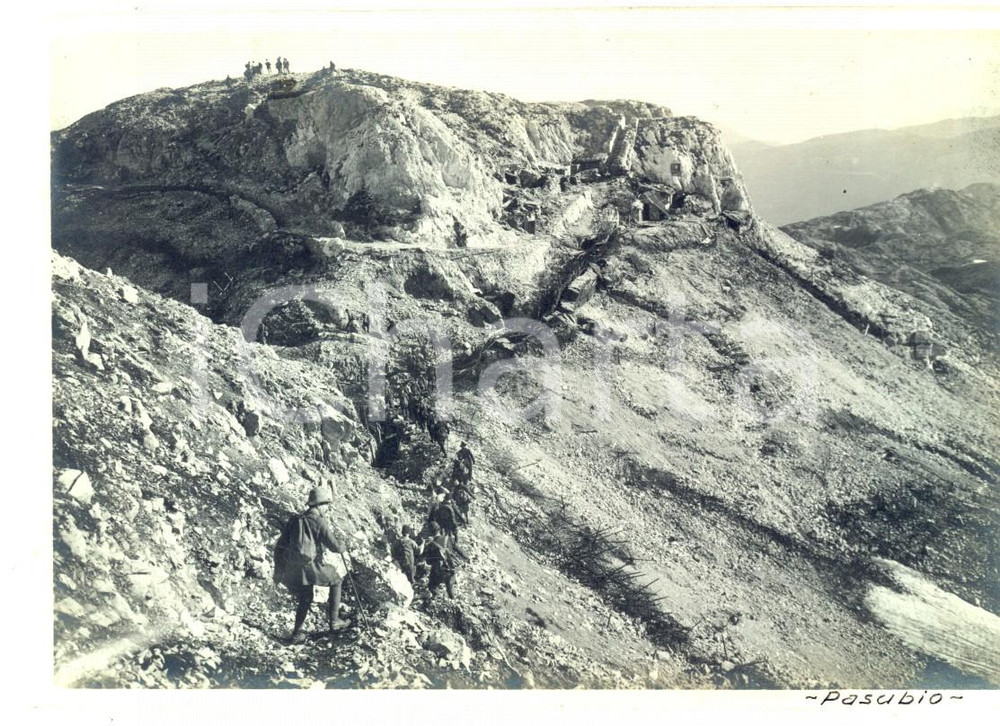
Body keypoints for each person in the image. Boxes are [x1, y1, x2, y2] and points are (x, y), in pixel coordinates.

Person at [273, 486, 351, 643]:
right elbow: (335, 547)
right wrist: (343, 545)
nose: (327, 508)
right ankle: (334, 621)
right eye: (326, 505)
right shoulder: (319, 521)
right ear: (319, 505)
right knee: (337, 580)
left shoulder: (296, 519)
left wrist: (278, 569)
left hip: (294, 568)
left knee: (306, 597)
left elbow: (281, 544)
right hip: (310, 566)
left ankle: (296, 634)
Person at [422, 523, 456, 599]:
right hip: (450, 568)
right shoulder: (447, 539)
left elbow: (428, 561)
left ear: (431, 533)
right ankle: (452, 599)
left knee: (432, 586)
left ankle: (436, 597)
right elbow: (456, 549)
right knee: (450, 587)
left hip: (438, 570)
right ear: (439, 530)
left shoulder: (431, 545)